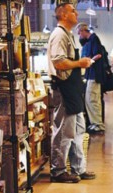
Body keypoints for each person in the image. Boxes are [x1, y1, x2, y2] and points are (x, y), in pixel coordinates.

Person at [47, 3, 96, 183]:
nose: (76, 13)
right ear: (64, 15)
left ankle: (78, 168)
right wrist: (79, 63)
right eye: (72, 11)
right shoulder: (59, 34)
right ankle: (58, 170)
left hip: (73, 89)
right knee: (64, 131)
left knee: (78, 130)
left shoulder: (68, 34)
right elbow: (59, 62)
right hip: (64, 88)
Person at [78, 23, 105, 134]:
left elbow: (98, 55)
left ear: (83, 30)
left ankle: (98, 124)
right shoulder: (89, 41)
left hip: (95, 75)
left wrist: (89, 62)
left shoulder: (94, 39)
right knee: (90, 99)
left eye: (79, 33)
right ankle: (95, 123)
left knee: (92, 99)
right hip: (90, 74)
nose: (79, 35)